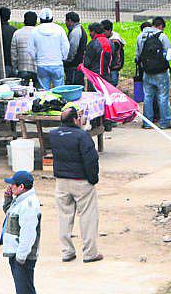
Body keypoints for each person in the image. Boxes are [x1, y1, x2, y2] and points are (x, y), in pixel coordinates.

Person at [49, 106, 102, 264]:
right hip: (81, 181)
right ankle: (90, 253)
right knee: (88, 217)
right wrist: (92, 179)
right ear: (74, 119)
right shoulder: (82, 136)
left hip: (61, 181)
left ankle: (67, 251)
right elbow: (91, 159)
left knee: (64, 217)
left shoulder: (53, 134)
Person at [0, 170, 42, 294]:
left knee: (25, 290)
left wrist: (21, 257)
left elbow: (28, 234)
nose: (10, 187)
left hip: (23, 256)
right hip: (17, 254)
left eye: (13, 184)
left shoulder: (28, 205)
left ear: (21, 187)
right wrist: (8, 198)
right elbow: (10, 213)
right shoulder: (20, 200)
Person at [135, 17, 171, 128]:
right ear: (161, 26)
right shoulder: (162, 36)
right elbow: (169, 54)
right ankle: (165, 122)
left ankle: (147, 123)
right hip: (161, 72)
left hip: (147, 71)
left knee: (147, 96)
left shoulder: (140, 36)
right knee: (163, 96)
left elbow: (138, 55)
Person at [29, 8, 70, 89]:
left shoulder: (35, 31)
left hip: (42, 64)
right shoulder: (59, 29)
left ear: (40, 19)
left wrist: (36, 58)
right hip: (57, 64)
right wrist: (63, 57)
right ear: (52, 18)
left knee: (43, 92)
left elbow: (30, 50)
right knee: (59, 90)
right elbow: (66, 46)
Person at [63, 13, 87, 87]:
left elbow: (73, 49)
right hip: (77, 64)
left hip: (74, 65)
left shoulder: (75, 32)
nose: (65, 23)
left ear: (70, 21)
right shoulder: (79, 29)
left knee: (73, 86)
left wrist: (68, 60)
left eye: (66, 21)